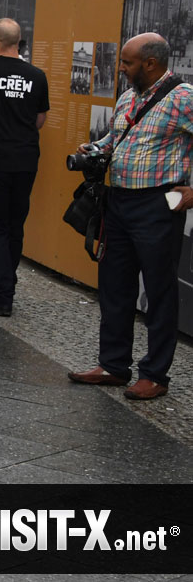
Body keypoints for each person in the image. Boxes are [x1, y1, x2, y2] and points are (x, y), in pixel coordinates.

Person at [69, 34, 193, 400]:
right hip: (118, 202)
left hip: (159, 203)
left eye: (126, 62)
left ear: (150, 64)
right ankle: (113, 364)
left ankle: (155, 374)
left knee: (159, 289)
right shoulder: (129, 96)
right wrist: (94, 149)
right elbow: (115, 138)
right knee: (114, 285)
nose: (120, 68)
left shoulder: (183, 97)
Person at [0, 18, 49, 317]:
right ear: (20, 42)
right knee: (15, 225)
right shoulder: (37, 75)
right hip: (26, 160)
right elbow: (40, 119)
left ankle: (2, 295)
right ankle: (6, 280)